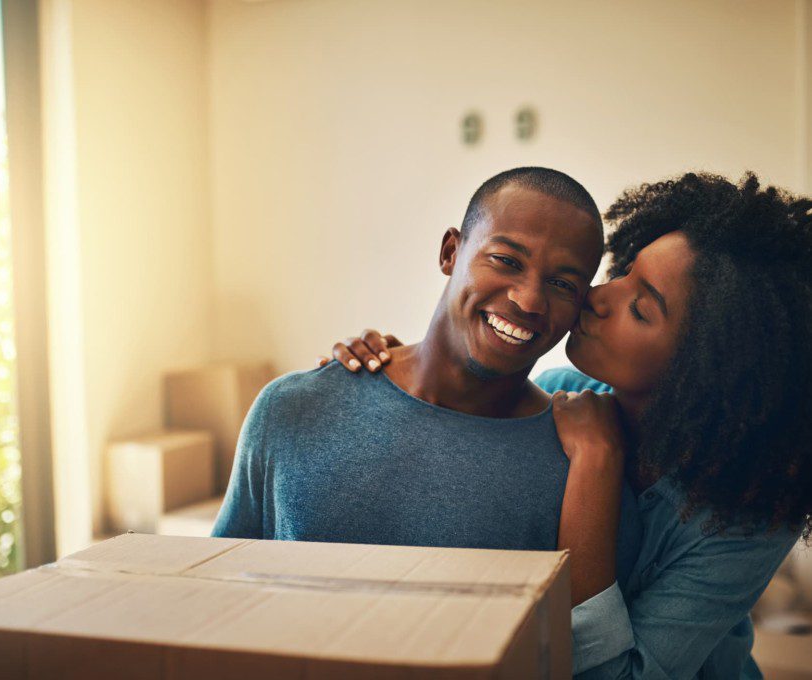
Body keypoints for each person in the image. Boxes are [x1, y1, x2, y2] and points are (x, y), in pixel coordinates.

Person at [327, 171, 812, 678]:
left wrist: (597, 463)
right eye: (622, 272)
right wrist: (376, 376)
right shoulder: (558, 393)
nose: (597, 297)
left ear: (705, 369)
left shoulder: (748, 515)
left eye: (640, 308)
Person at [212, 167, 642, 584]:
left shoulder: (585, 469)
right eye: (506, 260)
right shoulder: (291, 409)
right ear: (450, 253)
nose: (529, 300)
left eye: (563, 284)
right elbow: (217, 593)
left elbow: (581, 646)